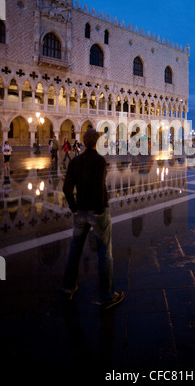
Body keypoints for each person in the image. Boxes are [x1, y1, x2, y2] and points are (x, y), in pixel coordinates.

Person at [61, 128, 124, 309]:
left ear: (83, 142)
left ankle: (67, 288)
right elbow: (98, 187)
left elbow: (66, 189)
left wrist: (74, 207)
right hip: (98, 212)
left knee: (75, 250)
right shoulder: (99, 160)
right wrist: (97, 210)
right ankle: (107, 295)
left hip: (80, 211)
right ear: (97, 142)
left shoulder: (75, 161)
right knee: (105, 253)